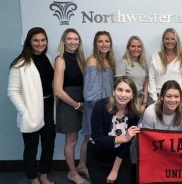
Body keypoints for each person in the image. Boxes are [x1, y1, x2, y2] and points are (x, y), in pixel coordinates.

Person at [7, 27, 56, 184]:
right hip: (31, 111)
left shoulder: (48, 57)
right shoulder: (20, 63)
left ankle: (44, 176)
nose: (40, 43)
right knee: (31, 148)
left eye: (43, 40)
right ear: (29, 41)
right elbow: (13, 92)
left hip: (48, 107)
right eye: (36, 40)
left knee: (48, 145)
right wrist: (25, 112)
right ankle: (33, 179)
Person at [86, 76, 141, 184]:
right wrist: (124, 138)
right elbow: (98, 138)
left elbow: (126, 145)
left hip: (119, 156)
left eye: (128, 91)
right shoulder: (100, 106)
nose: (123, 95)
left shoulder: (134, 113)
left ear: (132, 95)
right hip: (98, 154)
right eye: (119, 90)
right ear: (113, 91)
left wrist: (115, 170)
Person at [53, 28, 89, 184]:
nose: (73, 42)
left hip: (82, 101)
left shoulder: (81, 59)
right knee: (72, 140)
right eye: (69, 39)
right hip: (69, 103)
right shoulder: (60, 59)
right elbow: (58, 91)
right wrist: (77, 105)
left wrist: (83, 104)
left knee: (88, 135)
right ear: (64, 41)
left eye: (76, 39)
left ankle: (81, 166)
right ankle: (72, 173)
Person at [82, 31, 116, 168]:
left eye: (107, 41)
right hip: (95, 107)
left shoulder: (109, 61)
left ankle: (97, 167)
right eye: (100, 41)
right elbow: (90, 92)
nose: (104, 44)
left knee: (103, 137)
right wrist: (101, 109)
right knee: (89, 138)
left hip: (107, 106)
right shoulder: (92, 61)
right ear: (95, 44)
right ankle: (82, 166)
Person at [148, 28, 182, 102]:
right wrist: (155, 98)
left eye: (172, 39)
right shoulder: (156, 57)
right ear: (163, 40)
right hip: (158, 98)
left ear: (176, 41)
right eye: (167, 39)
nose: (170, 41)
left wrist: (180, 98)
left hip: (176, 99)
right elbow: (151, 79)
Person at [116, 35, 149, 112]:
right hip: (126, 102)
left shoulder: (143, 63)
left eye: (139, 46)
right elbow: (119, 86)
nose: (136, 49)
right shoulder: (123, 63)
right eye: (133, 46)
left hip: (140, 101)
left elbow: (146, 84)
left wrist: (144, 103)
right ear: (128, 48)